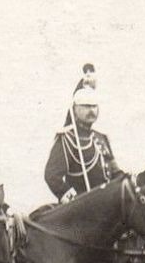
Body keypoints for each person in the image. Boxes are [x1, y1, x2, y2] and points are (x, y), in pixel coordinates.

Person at [44, 64, 123, 201]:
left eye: (94, 106)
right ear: (75, 109)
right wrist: (76, 202)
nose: (91, 110)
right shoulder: (67, 139)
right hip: (82, 210)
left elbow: (115, 173)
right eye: (86, 106)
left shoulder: (101, 138)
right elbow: (52, 176)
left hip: (107, 206)